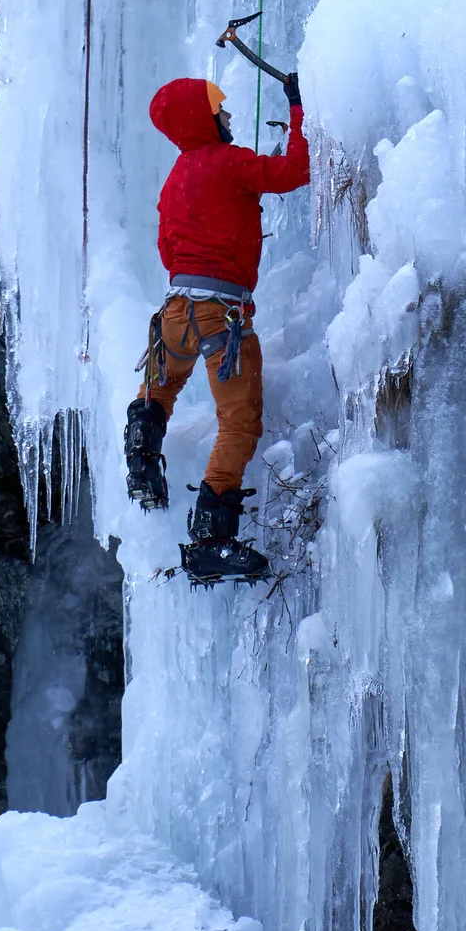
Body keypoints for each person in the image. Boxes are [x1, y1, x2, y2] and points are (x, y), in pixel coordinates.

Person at [124, 64, 309, 578]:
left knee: (160, 390)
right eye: (220, 109)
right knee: (239, 421)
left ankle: (141, 458)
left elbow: (167, 250)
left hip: (174, 314)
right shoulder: (230, 162)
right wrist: (299, 109)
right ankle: (210, 535)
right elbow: (294, 172)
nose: (228, 116)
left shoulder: (174, 180)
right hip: (220, 317)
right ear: (203, 119)